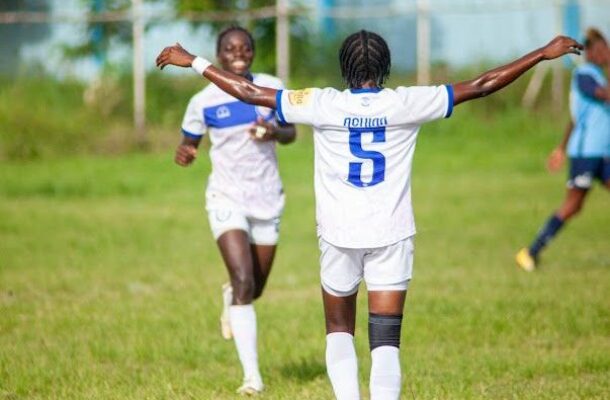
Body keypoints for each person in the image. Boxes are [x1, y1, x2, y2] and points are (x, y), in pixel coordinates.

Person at [157, 31, 581, 399]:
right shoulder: (408, 103)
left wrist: (192, 60)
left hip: (339, 236)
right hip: (392, 235)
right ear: (386, 67)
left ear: (344, 68)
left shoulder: (321, 103)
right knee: (386, 341)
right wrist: (541, 53)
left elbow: (248, 92)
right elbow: (483, 84)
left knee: (339, 333)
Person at [174, 26, 296, 395]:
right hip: (225, 198)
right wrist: (185, 153)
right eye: (230, 48)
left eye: (245, 47)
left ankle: (232, 299)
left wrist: (273, 133)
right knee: (244, 281)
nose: (238, 53)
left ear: (253, 53)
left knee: (252, 289)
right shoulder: (202, 102)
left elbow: (292, 133)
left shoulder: (271, 86)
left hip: (267, 198)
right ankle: (252, 378)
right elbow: (188, 144)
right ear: (220, 54)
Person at [516, 28, 609, 272]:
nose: (607, 53)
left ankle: (531, 251)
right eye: (603, 49)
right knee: (572, 205)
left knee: (575, 206)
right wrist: (564, 149)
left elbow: (575, 118)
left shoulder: (599, 75)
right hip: (585, 155)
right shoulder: (585, 76)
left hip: (601, 154)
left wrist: (560, 147)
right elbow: (600, 98)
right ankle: (530, 252)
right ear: (592, 52)